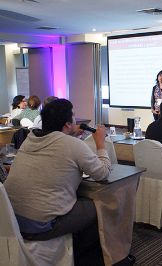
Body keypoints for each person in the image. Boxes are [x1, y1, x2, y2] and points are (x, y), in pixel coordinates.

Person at [4, 99, 112, 265]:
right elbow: (102, 173)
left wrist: (69, 136)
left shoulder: (29, 140)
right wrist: (100, 143)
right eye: (74, 116)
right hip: (41, 226)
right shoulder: (73, 144)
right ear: (68, 124)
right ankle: (89, 258)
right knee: (98, 204)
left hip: (12, 222)